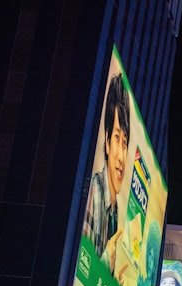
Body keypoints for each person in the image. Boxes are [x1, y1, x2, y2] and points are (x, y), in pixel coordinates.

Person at [82, 72, 130, 274]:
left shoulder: (115, 208)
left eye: (125, 143)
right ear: (108, 142)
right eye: (117, 138)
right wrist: (103, 266)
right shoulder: (93, 192)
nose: (121, 156)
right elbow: (82, 268)